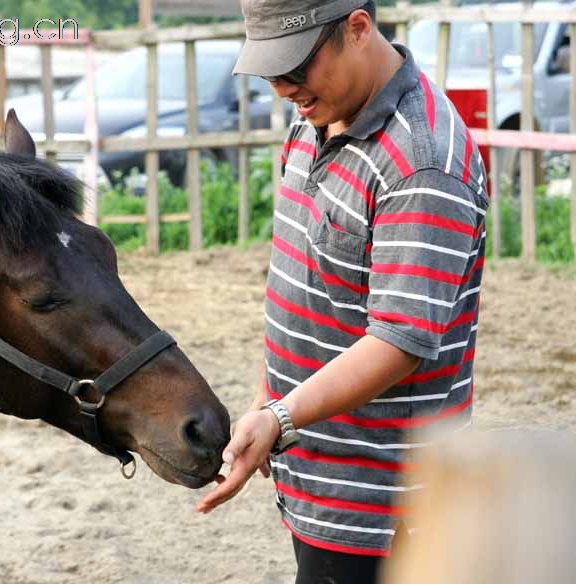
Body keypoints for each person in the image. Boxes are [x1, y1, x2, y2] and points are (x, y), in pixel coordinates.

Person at [195, 1, 489, 583]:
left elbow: (398, 343)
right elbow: (299, 281)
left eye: (296, 66)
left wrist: (279, 417)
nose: (283, 88)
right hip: (318, 476)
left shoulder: (421, 162)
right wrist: (265, 399)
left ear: (357, 28)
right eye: (272, 70)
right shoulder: (318, 116)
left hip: (384, 507)